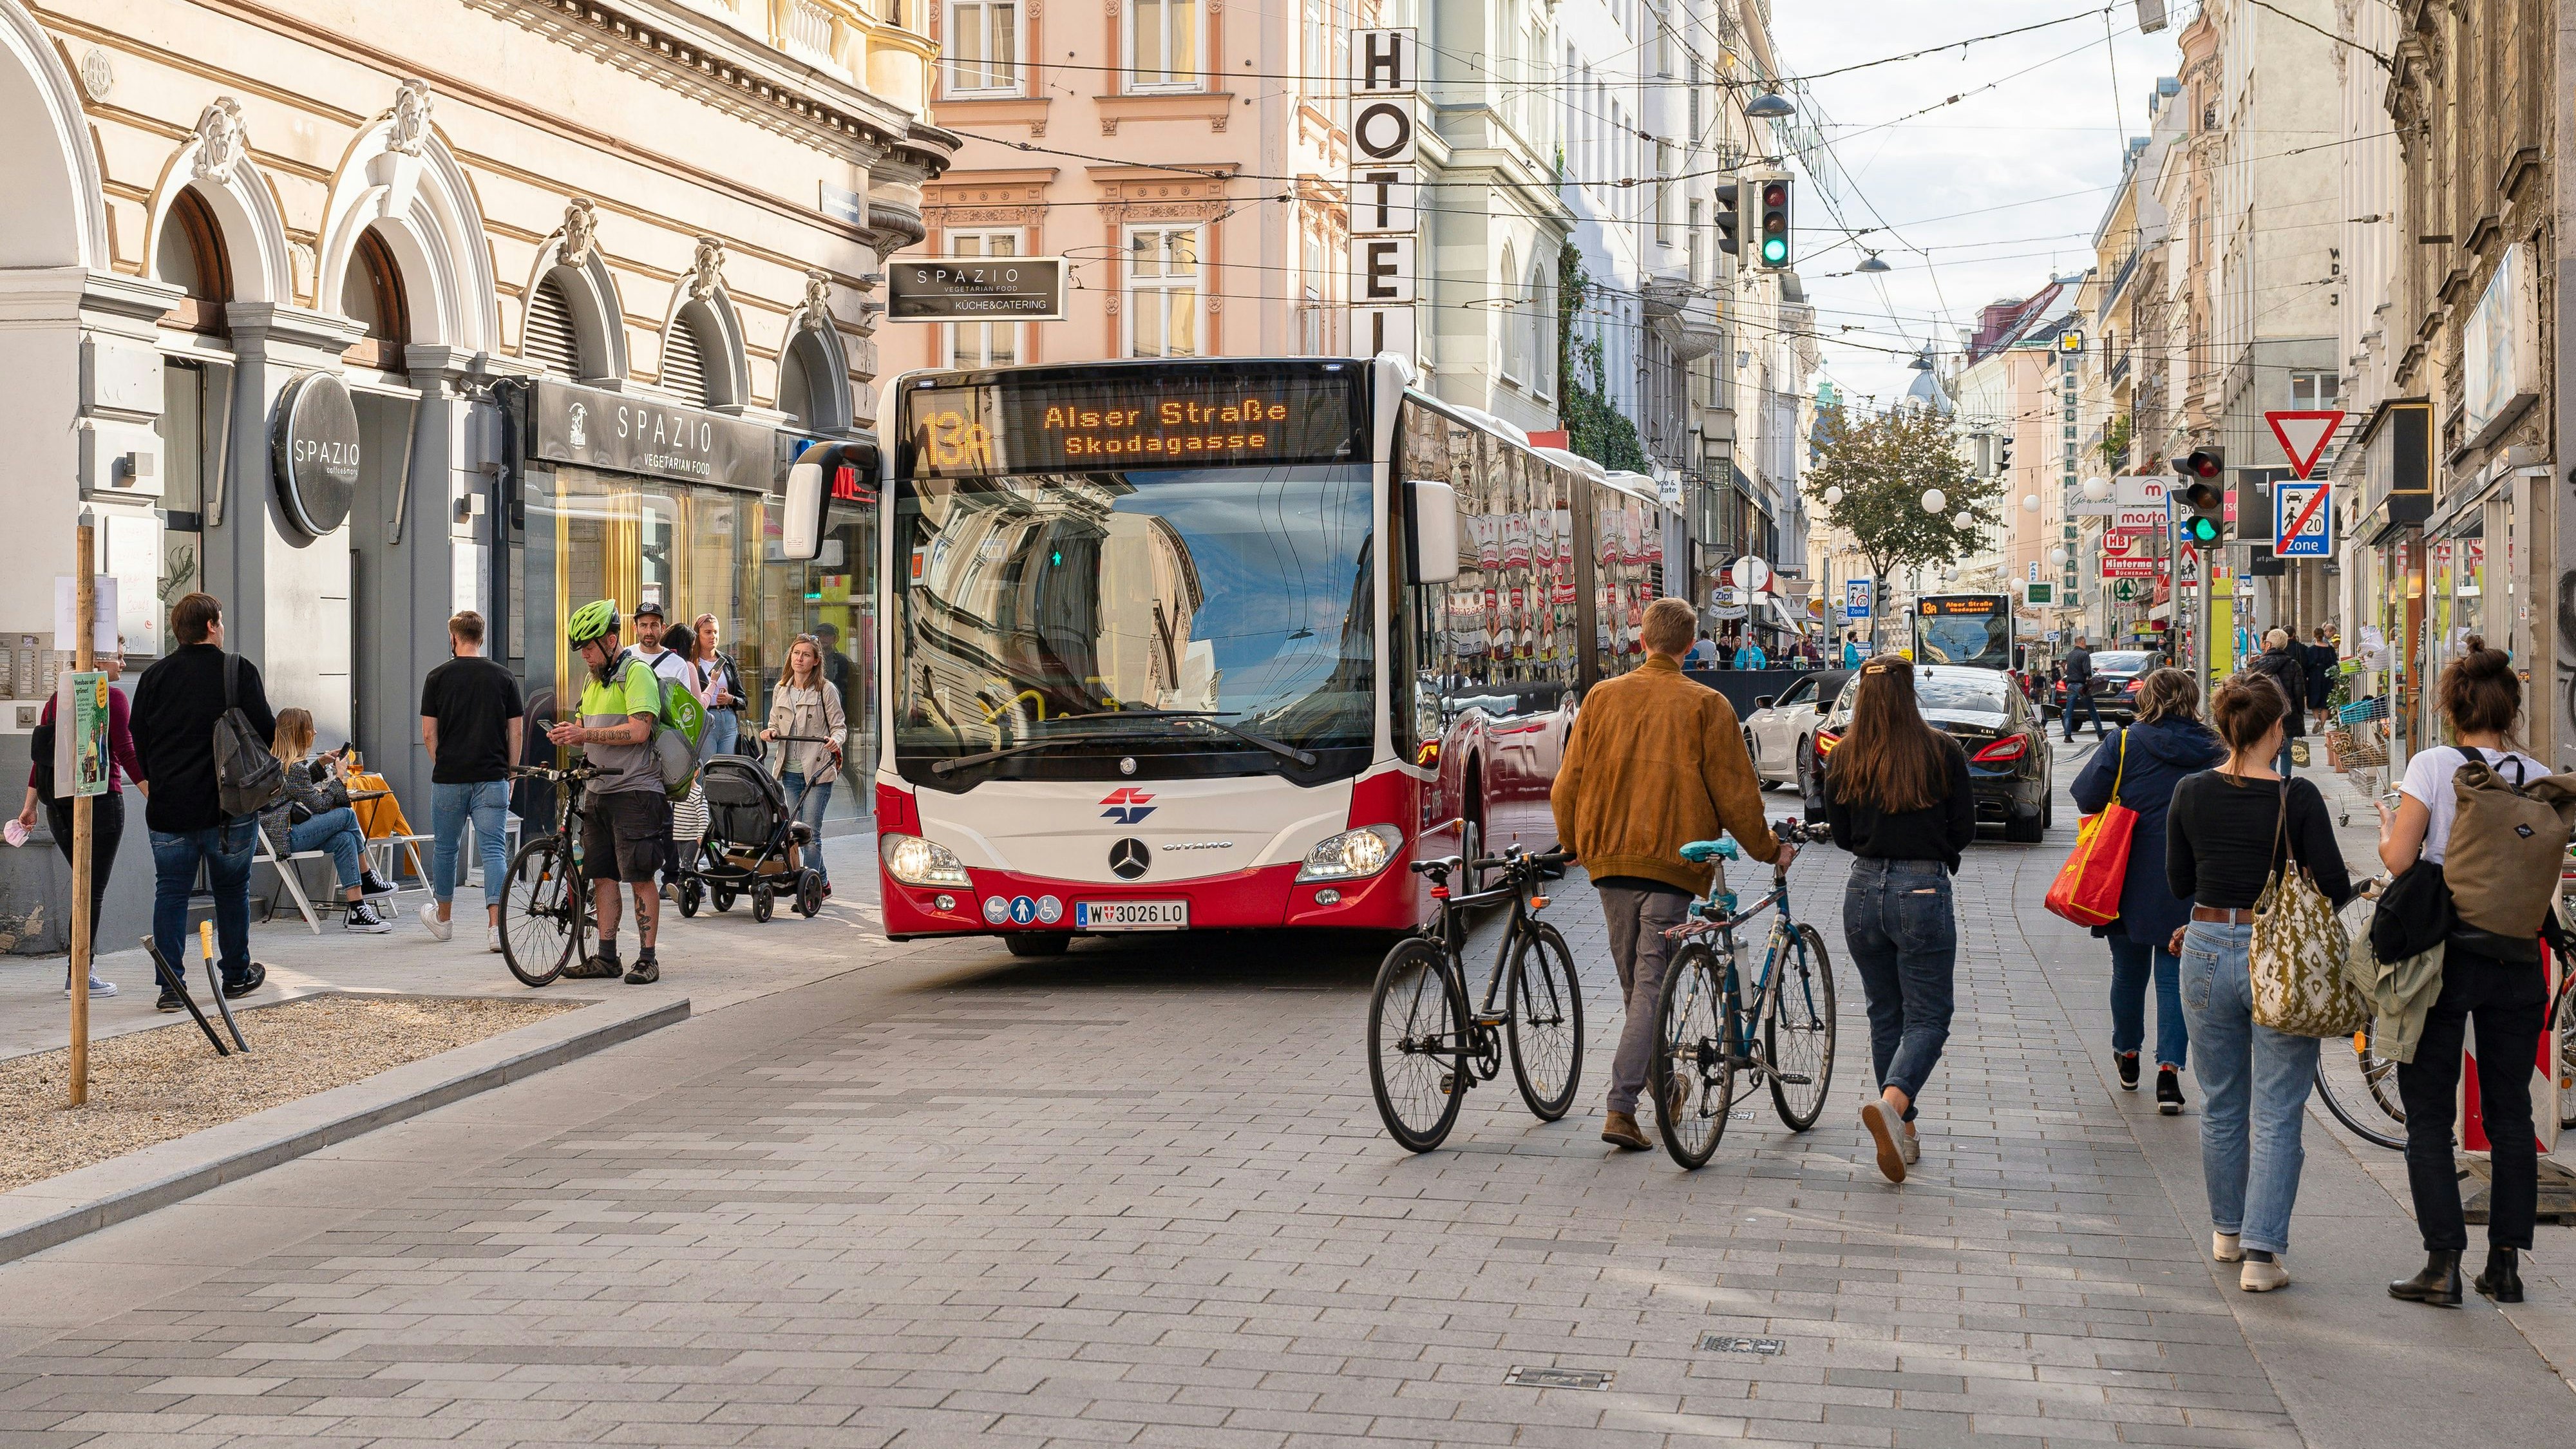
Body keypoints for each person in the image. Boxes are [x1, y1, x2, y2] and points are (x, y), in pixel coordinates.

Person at [1550, 597, 1785, 1152]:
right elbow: (1736, 793)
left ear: (1642, 642)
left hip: (1608, 865)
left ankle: (1662, 1092)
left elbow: (1566, 786)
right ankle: (1622, 1107)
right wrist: (1768, 849)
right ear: (1689, 647)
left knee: (1639, 986)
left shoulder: (1602, 699)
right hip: (1672, 864)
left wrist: (1573, 845)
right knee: (1649, 987)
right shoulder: (1706, 704)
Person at [2165, 672, 2356, 1292]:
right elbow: (2330, 884)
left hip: (2205, 949)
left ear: (2226, 727)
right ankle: (2261, 1256)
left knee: (2221, 1102)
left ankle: (2226, 1232)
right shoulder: (2296, 800)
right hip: (2279, 959)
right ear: (2277, 729)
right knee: (2277, 1111)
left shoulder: (2190, 792)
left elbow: (2179, 882)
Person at [2376, 636, 2550, 1309]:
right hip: (2513, 957)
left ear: (2451, 706)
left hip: (2441, 957)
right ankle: (2504, 1265)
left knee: (2427, 1113)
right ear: (2509, 707)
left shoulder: (2432, 764)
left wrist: (2390, 826)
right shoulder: (2532, 774)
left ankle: (2441, 1263)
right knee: (2509, 1114)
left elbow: (2400, 861)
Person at [1823, 656, 1975, 1183]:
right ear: (1910, 694)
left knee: (1885, 1013)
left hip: (1862, 890)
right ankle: (1893, 1107)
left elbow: (1839, 832)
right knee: (1929, 1017)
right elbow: (1965, 827)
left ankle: (1903, 1130)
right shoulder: (1942, 751)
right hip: (1923, 887)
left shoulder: (1843, 755)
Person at [2070, 668, 2225, 1114]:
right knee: (2175, 979)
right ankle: (2170, 1076)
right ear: (2192, 700)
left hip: (2128, 872)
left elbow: (2086, 796)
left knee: (2128, 971)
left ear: (2146, 698)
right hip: (2191, 873)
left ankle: (2128, 1053)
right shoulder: (2214, 747)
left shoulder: (2123, 743)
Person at [130, 592, 276, 1007]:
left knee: (170, 891)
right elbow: (264, 731)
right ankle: (235, 974)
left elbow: (138, 739)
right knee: (233, 889)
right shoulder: (236, 671)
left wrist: (156, 781)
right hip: (228, 809)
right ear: (211, 626)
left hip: (169, 809)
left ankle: (171, 988)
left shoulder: (154, 677)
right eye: (221, 620)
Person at [548, 600, 668, 985]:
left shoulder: (636, 674)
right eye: (580, 648)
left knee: (640, 875)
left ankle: (647, 959)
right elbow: (585, 728)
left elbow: (639, 731)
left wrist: (585, 734)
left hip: (635, 791)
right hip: (598, 789)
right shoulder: (591, 679)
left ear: (611, 640)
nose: (584, 654)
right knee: (602, 875)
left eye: (589, 646)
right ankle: (606, 957)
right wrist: (568, 733)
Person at [15, 639, 142, 998]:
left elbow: (41, 759)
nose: (123, 664)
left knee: (82, 889)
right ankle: (80, 974)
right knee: (92, 892)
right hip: (101, 804)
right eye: (117, 656)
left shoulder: (56, 701)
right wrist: (153, 794)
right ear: (98, 661)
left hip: (57, 806)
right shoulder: (112, 698)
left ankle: (79, 971)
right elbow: (126, 752)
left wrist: (30, 806)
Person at [417, 610, 523, 951]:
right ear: (481, 638)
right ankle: (495, 928)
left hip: (449, 776)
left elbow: (428, 734)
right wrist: (512, 772)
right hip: (492, 775)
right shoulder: (504, 677)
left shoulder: (436, 678)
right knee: (493, 850)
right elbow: (516, 731)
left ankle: (444, 919)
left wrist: (445, 762)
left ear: (454, 638)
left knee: (447, 849)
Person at [260, 708, 398, 933]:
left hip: (282, 833)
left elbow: (299, 789)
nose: (314, 732)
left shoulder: (278, 763)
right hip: (283, 838)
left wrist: (321, 763)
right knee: (346, 815)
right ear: (299, 733)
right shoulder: (294, 768)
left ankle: (357, 909)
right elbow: (322, 805)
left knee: (344, 839)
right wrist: (340, 777)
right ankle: (368, 878)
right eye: (309, 728)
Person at [764, 634, 847, 898]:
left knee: (811, 832)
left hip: (818, 769)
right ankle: (820, 881)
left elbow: (839, 727)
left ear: (816, 661)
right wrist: (770, 732)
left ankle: (810, 890)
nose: (800, 659)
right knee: (797, 831)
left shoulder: (826, 690)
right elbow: (774, 723)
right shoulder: (781, 689)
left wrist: (836, 740)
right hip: (789, 770)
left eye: (806, 655)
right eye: (796, 653)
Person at [2248, 629, 2307, 775]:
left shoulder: (2258, 666)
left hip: (2266, 716)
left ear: (2268, 644)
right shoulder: (2294, 665)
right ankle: (2286, 782)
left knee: (2270, 752)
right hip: (2289, 715)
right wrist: (2299, 713)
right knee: (2287, 752)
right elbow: (2299, 693)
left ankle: (2271, 782)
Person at [693, 613, 746, 757]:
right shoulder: (692, 663)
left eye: (716, 632)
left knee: (727, 769)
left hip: (728, 719)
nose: (713, 636)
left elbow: (743, 699)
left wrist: (730, 699)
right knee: (707, 768)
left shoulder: (726, 660)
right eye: (708, 632)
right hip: (706, 719)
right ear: (698, 635)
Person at [2061, 636, 2103, 740]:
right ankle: (2101, 734)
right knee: (2092, 710)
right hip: (2081, 686)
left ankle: (2067, 736)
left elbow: (2069, 670)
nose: (2085, 644)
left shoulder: (2069, 655)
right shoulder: (2084, 655)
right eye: (2084, 642)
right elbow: (2086, 671)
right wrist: (2093, 671)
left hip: (2070, 685)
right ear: (2081, 642)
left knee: (2069, 712)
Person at [2306, 625, 2338, 734]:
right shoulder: (2330, 649)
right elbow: (2335, 663)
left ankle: (2316, 719)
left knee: (2314, 700)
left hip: (2314, 676)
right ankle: (2322, 727)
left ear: (2314, 636)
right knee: (2325, 702)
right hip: (2327, 677)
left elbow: (2306, 665)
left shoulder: (2310, 650)